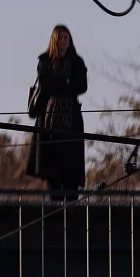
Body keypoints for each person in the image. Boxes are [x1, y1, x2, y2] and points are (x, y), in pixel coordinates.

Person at [26, 24, 88, 201]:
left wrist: (60, 86)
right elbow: (46, 86)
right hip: (48, 120)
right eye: (60, 38)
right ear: (54, 40)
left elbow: (81, 86)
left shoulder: (77, 62)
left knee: (71, 171)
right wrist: (65, 86)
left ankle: (71, 213)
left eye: (66, 38)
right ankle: (55, 213)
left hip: (71, 120)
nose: (63, 41)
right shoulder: (45, 60)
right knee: (52, 171)